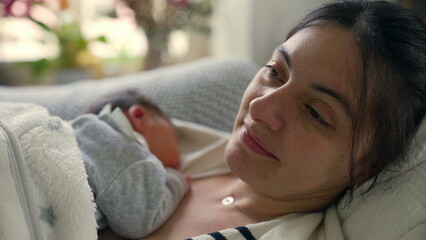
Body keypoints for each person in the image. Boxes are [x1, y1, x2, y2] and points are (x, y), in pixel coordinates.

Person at [99, 0, 426, 239]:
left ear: (368, 167)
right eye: (274, 72)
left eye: (315, 112)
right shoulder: (163, 138)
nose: (260, 108)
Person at [71, 90, 190, 239]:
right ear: (139, 117)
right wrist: (176, 181)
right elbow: (139, 219)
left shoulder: (82, 137)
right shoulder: (125, 149)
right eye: (175, 139)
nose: (180, 159)